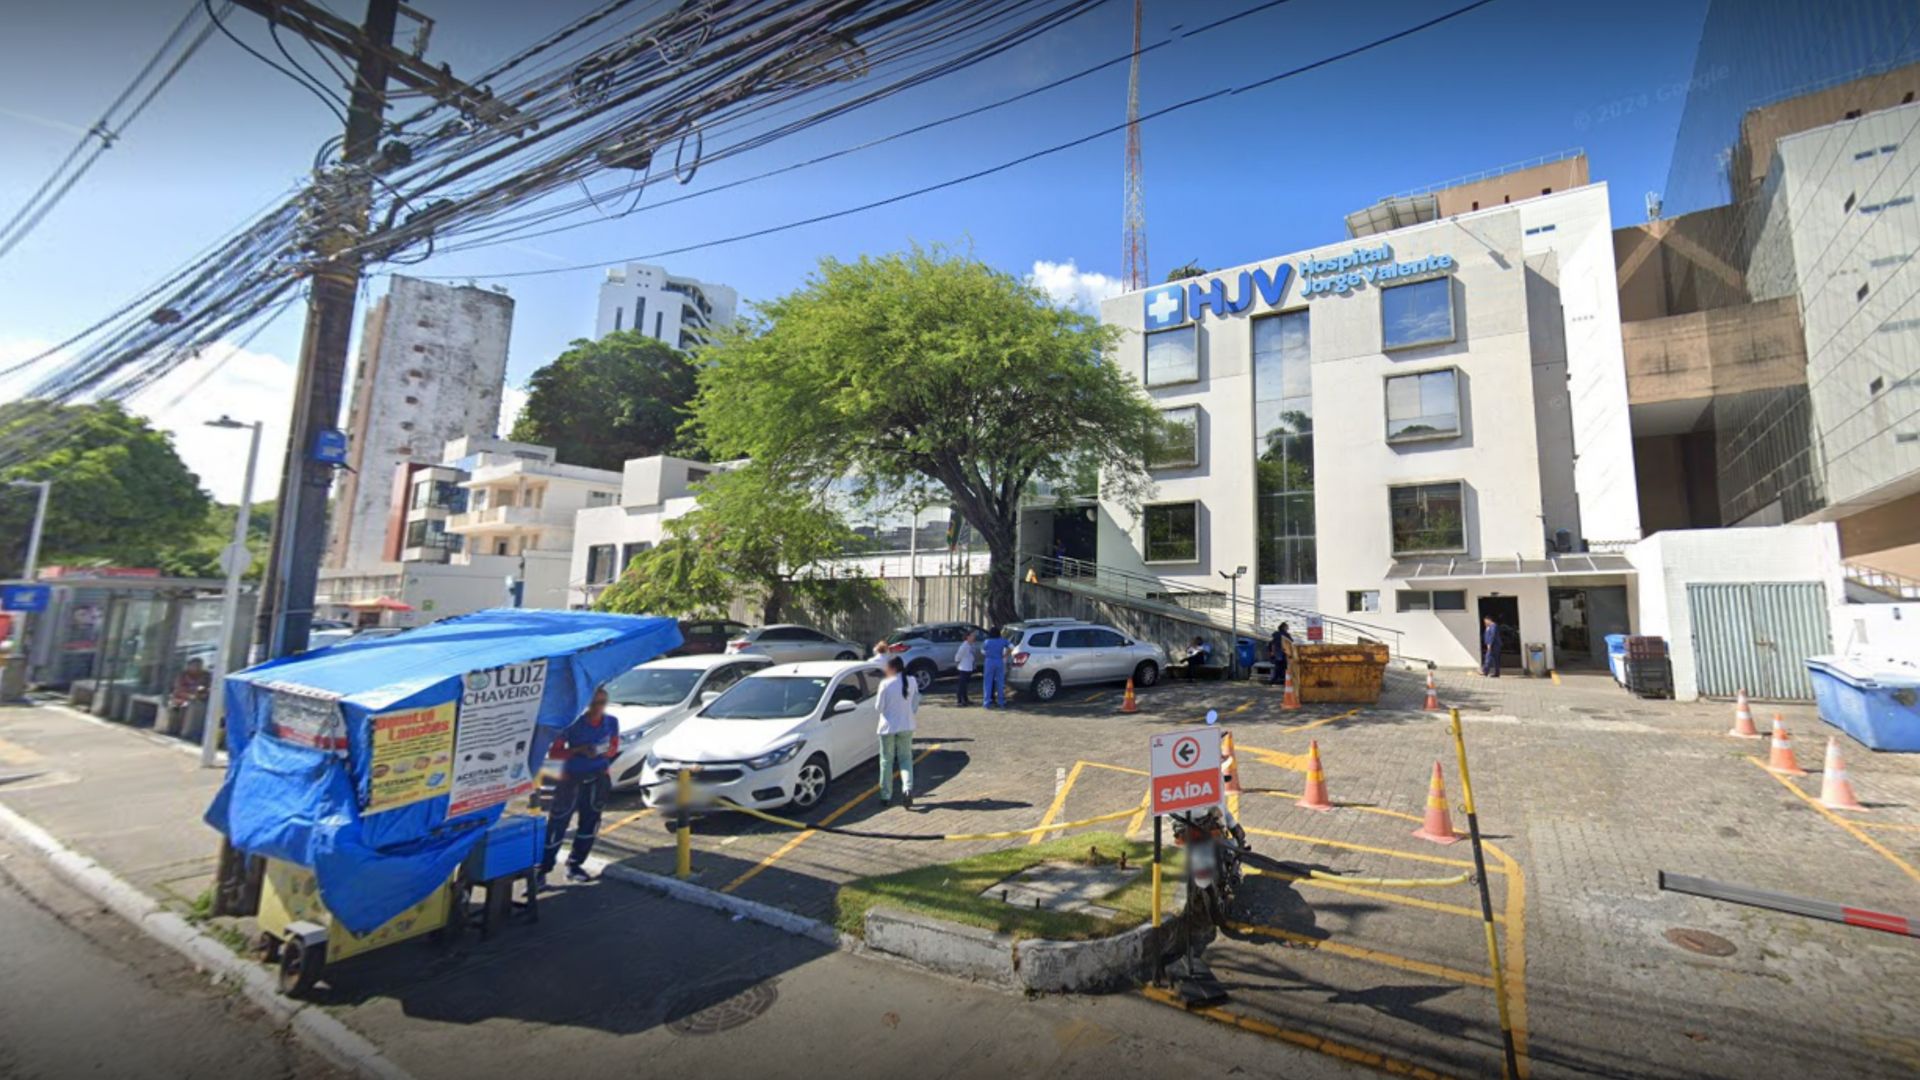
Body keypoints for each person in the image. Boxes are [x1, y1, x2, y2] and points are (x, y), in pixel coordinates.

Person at [542, 687, 620, 883]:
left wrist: (602, 752)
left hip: (597, 778)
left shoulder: (611, 722)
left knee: (590, 823)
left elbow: (613, 748)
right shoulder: (572, 723)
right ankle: (542, 869)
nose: (597, 707)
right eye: (594, 703)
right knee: (557, 823)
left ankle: (575, 864)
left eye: (601, 703)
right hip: (570, 779)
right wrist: (579, 750)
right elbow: (554, 754)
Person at [877, 656, 918, 808]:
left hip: (888, 727)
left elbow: (879, 707)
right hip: (906, 725)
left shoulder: (885, 684)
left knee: (886, 761)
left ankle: (885, 795)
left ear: (893, 668)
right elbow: (914, 703)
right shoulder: (912, 681)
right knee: (906, 759)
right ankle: (907, 789)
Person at [980, 626, 1011, 708]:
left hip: (989, 661)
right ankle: (1001, 701)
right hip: (999, 661)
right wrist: (1006, 655)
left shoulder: (987, 641)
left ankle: (986, 702)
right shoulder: (1002, 641)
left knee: (987, 682)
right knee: (1000, 682)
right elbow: (1012, 647)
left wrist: (987, 654)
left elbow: (982, 651)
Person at [954, 630, 977, 706]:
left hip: (969, 667)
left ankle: (965, 699)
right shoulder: (964, 646)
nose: (974, 637)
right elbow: (958, 656)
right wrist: (958, 663)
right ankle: (959, 700)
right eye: (972, 636)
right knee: (961, 685)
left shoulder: (971, 645)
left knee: (966, 685)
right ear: (968, 637)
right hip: (963, 667)